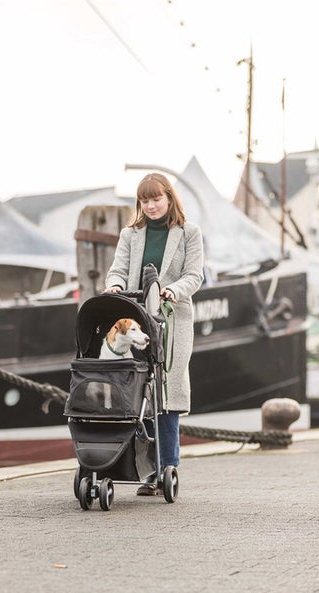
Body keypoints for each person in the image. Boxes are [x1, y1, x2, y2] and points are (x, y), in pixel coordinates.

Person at [105, 172, 204, 495]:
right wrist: (116, 284)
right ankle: (146, 469)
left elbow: (194, 275)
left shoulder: (189, 233)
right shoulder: (130, 234)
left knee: (168, 393)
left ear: (169, 198)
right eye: (144, 200)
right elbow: (118, 268)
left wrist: (172, 289)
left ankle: (166, 467)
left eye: (156, 199)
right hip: (138, 321)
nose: (150, 206)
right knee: (142, 393)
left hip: (173, 321)